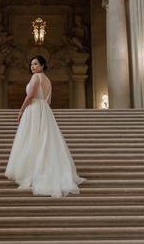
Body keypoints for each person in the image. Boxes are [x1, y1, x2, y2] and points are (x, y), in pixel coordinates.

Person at [5, 55, 85, 197]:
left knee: (32, 139)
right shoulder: (48, 80)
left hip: (34, 108)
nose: (32, 66)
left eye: (35, 64)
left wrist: (21, 110)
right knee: (44, 140)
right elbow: (47, 101)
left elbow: (30, 96)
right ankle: (43, 168)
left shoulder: (36, 77)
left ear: (42, 65)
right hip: (45, 110)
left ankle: (33, 171)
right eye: (31, 64)